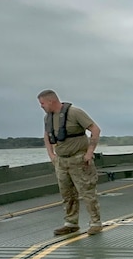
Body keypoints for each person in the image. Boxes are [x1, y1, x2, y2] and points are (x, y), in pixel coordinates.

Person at [39, 89, 103, 235]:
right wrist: (51, 155)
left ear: (51, 101)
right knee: (67, 194)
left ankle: (95, 222)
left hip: (78, 159)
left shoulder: (75, 113)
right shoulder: (47, 118)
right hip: (61, 162)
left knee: (87, 192)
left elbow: (95, 130)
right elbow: (47, 137)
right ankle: (71, 222)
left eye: (42, 103)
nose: (41, 107)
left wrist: (89, 153)